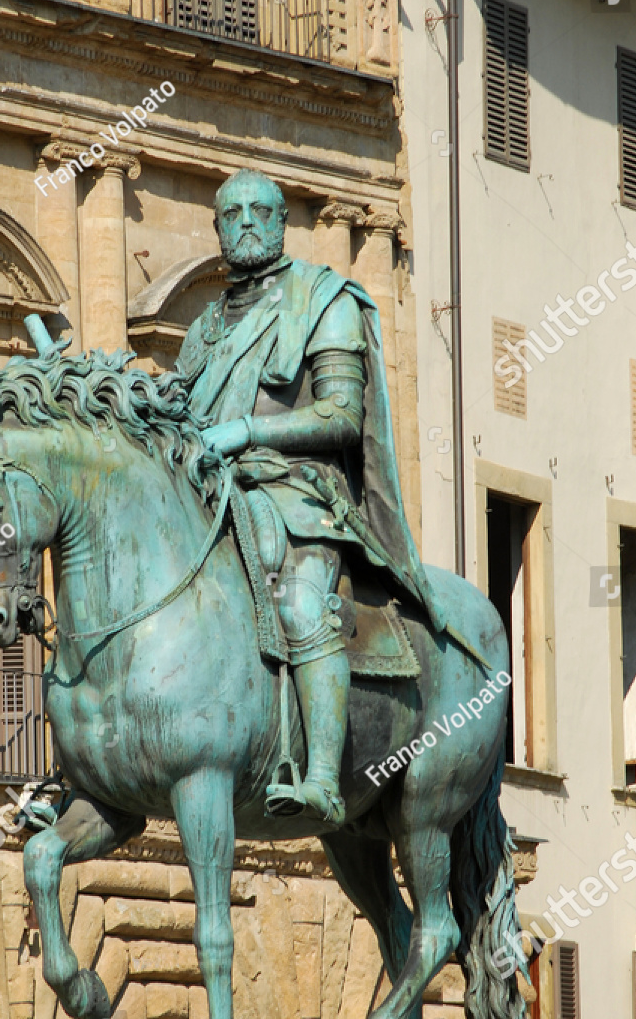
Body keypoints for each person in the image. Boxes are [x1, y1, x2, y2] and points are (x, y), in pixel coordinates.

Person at [176, 168, 450, 824]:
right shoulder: (205, 328)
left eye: (259, 211)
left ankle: (324, 775)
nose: (245, 222)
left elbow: (340, 417)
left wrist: (245, 430)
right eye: (231, 212)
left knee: (300, 605)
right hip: (214, 495)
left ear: (281, 223)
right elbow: (179, 411)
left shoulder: (326, 301)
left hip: (298, 496)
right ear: (217, 228)